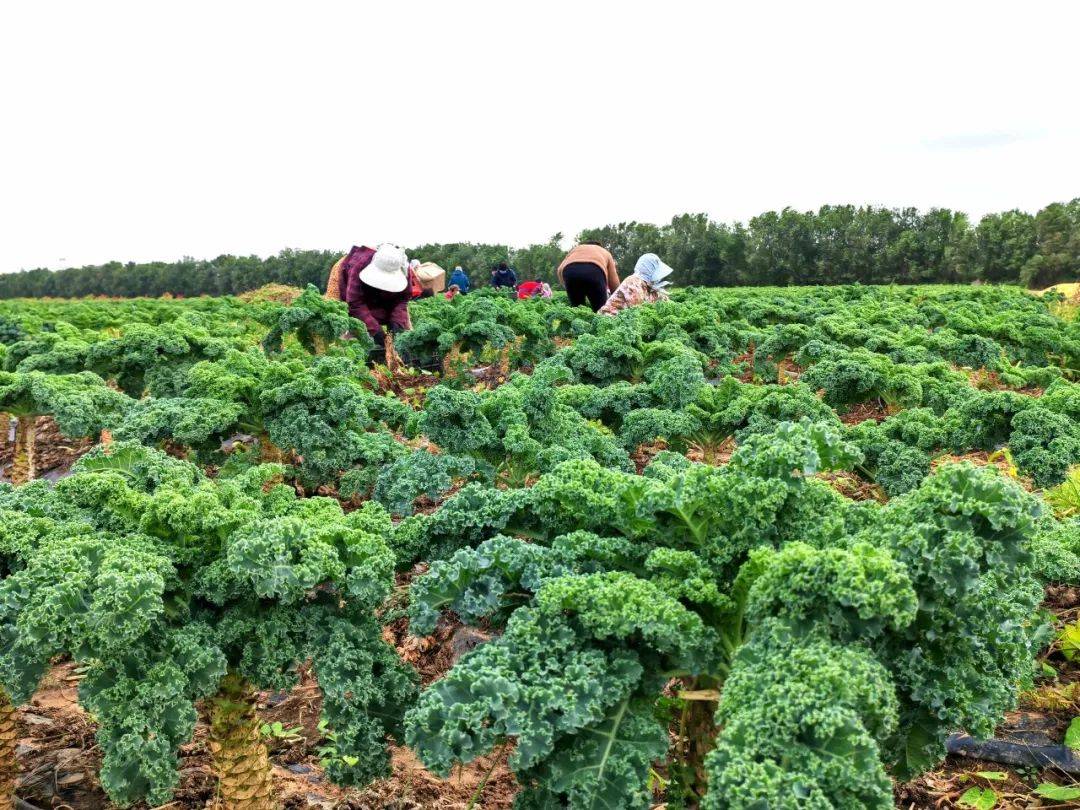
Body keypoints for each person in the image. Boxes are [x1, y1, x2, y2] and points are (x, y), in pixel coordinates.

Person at [343, 243, 412, 352]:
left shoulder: (404, 268)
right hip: (349, 285)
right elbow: (355, 303)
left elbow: (403, 299)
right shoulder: (359, 265)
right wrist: (376, 331)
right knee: (349, 327)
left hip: (384, 298)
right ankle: (349, 354)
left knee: (400, 327)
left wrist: (396, 324)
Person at [599, 253, 674, 316]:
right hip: (611, 318)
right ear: (649, 269)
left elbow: (662, 300)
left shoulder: (649, 287)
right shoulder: (634, 282)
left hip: (627, 321)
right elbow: (637, 310)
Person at [557, 241, 619, 312]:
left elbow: (560, 269)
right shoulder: (605, 252)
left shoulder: (577, 249)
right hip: (594, 270)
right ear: (600, 246)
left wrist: (567, 284)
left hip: (570, 270)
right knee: (601, 311)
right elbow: (613, 281)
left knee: (577, 310)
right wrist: (617, 298)